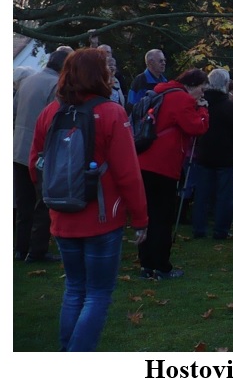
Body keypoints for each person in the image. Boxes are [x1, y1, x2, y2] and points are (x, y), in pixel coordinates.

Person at [28, 48, 148, 351]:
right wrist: (141, 218)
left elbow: (35, 165)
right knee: (97, 293)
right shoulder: (111, 112)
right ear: (100, 75)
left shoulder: (50, 112)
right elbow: (128, 173)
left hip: (62, 216)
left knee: (74, 289)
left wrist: (53, 193)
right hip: (101, 218)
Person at [137, 68, 210, 279]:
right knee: (162, 217)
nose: (202, 94)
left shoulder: (161, 92)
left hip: (145, 160)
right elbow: (196, 127)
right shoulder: (181, 99)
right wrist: (203, 111)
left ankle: (146, 264)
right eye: (201, 89)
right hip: (163, 164)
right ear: (191, 86)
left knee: (149, 215)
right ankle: (161, 265)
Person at [13, 47, 72, 263]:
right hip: (38, 152)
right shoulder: (56, 85)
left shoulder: (28, 80)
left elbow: (14, 112)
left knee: (23, 203)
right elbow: (53, 121)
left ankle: (20, 248)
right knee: (42, 204)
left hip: (18, 147)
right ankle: (36, 251)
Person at [192, 69, 233, 240]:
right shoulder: (230, 107)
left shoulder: (200, 104)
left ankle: (199, 228)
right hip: (226, 157)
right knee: (225, 196)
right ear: (225, 84)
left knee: (202, 194)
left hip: (204, 154)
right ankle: (221, 230)